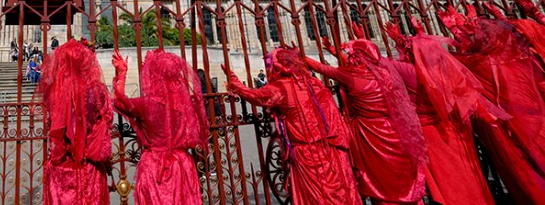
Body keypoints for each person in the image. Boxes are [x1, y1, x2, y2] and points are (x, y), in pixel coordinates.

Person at [384, 21, 504, 205]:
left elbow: (376, 59)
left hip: (433, 135)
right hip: (456, 130)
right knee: (470, 177)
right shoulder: (445, 72)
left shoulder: (409, 72)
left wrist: (397, 39)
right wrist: (416, 34)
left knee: (449, 182)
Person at [225, 48, 361, 205]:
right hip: (332, 149)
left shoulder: (281, 87)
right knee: (341, 192)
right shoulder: (313, 82)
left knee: (316, 197)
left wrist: (234, 79)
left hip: (307, 152)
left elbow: (253, 95)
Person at [439, 6, 545, 203]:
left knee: (526, 173)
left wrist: (457, 30)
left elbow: (442, 60)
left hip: (507, 126)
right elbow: (515, 34)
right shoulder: (520, 55)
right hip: (536, 119)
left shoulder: (480, 64)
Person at [306, 38, 427, 204]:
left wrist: (301, 57)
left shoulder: (351, 77)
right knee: (398, 172)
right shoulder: (385, 73)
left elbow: (321, 68)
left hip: (370, 131)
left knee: (378, 173)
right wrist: (334, 50)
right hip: (392, 128)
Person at [112, 49, 208, 204]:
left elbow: (118, 101)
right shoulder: (185, 105)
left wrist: (122, 73)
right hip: (181, 166)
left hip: (155, 167)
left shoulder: (146, 105)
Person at [37, 39, 112, 205]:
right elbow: (107, 118)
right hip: (89, 167)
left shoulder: (53, 92)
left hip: (61, 169)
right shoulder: (96, 90)